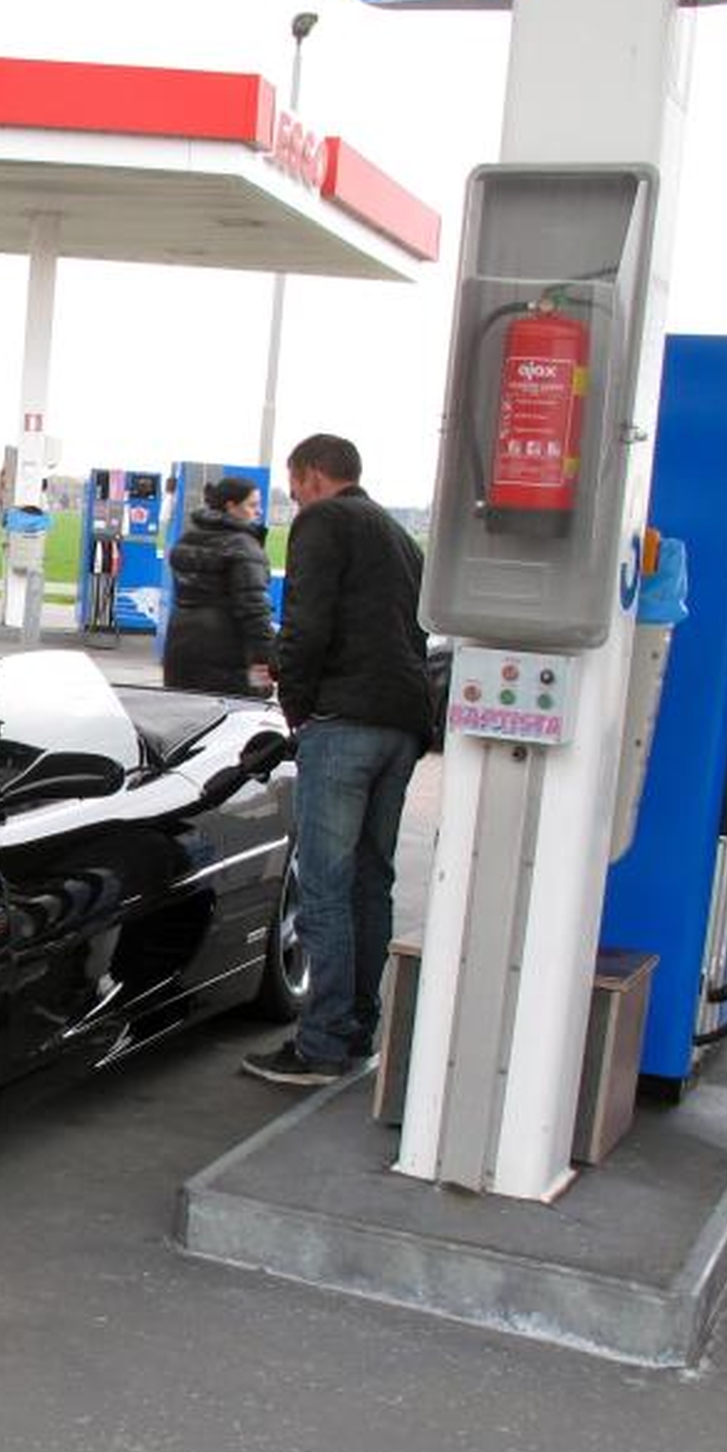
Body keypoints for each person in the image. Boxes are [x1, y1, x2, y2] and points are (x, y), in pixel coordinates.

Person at [243, 433, 433, 1087]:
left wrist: (293, 704)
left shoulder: (324, 522)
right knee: (370, 879)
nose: (294, 501)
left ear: (313, 476)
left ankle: (320, 1044)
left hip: (343, 722)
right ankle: (357, 1026)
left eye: (294, 488)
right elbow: (419, 632)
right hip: (402, 724)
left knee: (323, 883)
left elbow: (306, 623)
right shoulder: (400, 535)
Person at [161, 475, 275, 696]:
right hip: (226, 653)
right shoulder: (243, 546)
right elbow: (254, 610)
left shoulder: (187, 539)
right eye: (252, 505)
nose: (258, 512)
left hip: (180, 647)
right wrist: (266, 663)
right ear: (231, 506)